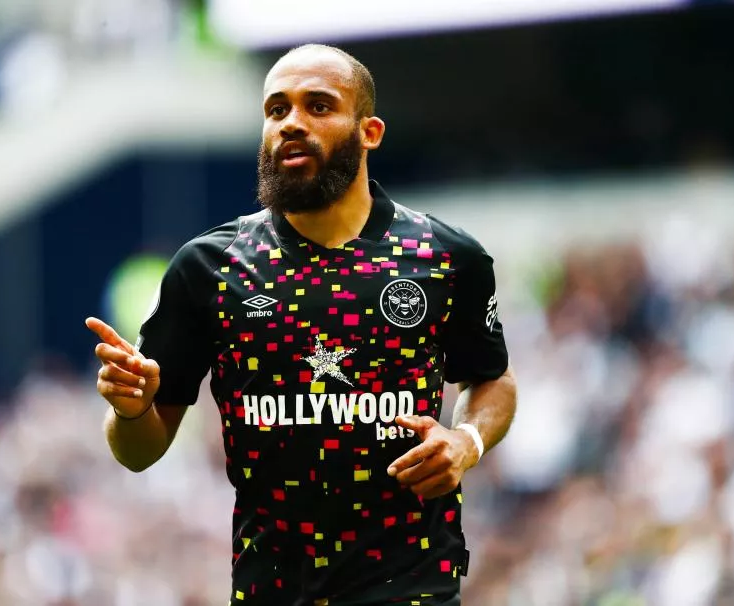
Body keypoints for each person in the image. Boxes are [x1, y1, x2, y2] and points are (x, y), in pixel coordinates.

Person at [86, 43, 517, 606]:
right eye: (277, 109)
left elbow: (493, 380)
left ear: (370, 132)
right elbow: (137, 452)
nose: (291, 122)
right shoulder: (208, 266)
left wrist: (467, 440)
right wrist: (132, 407)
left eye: (318, 106)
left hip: (413, 587)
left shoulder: (445, 255)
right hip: (271, 590)